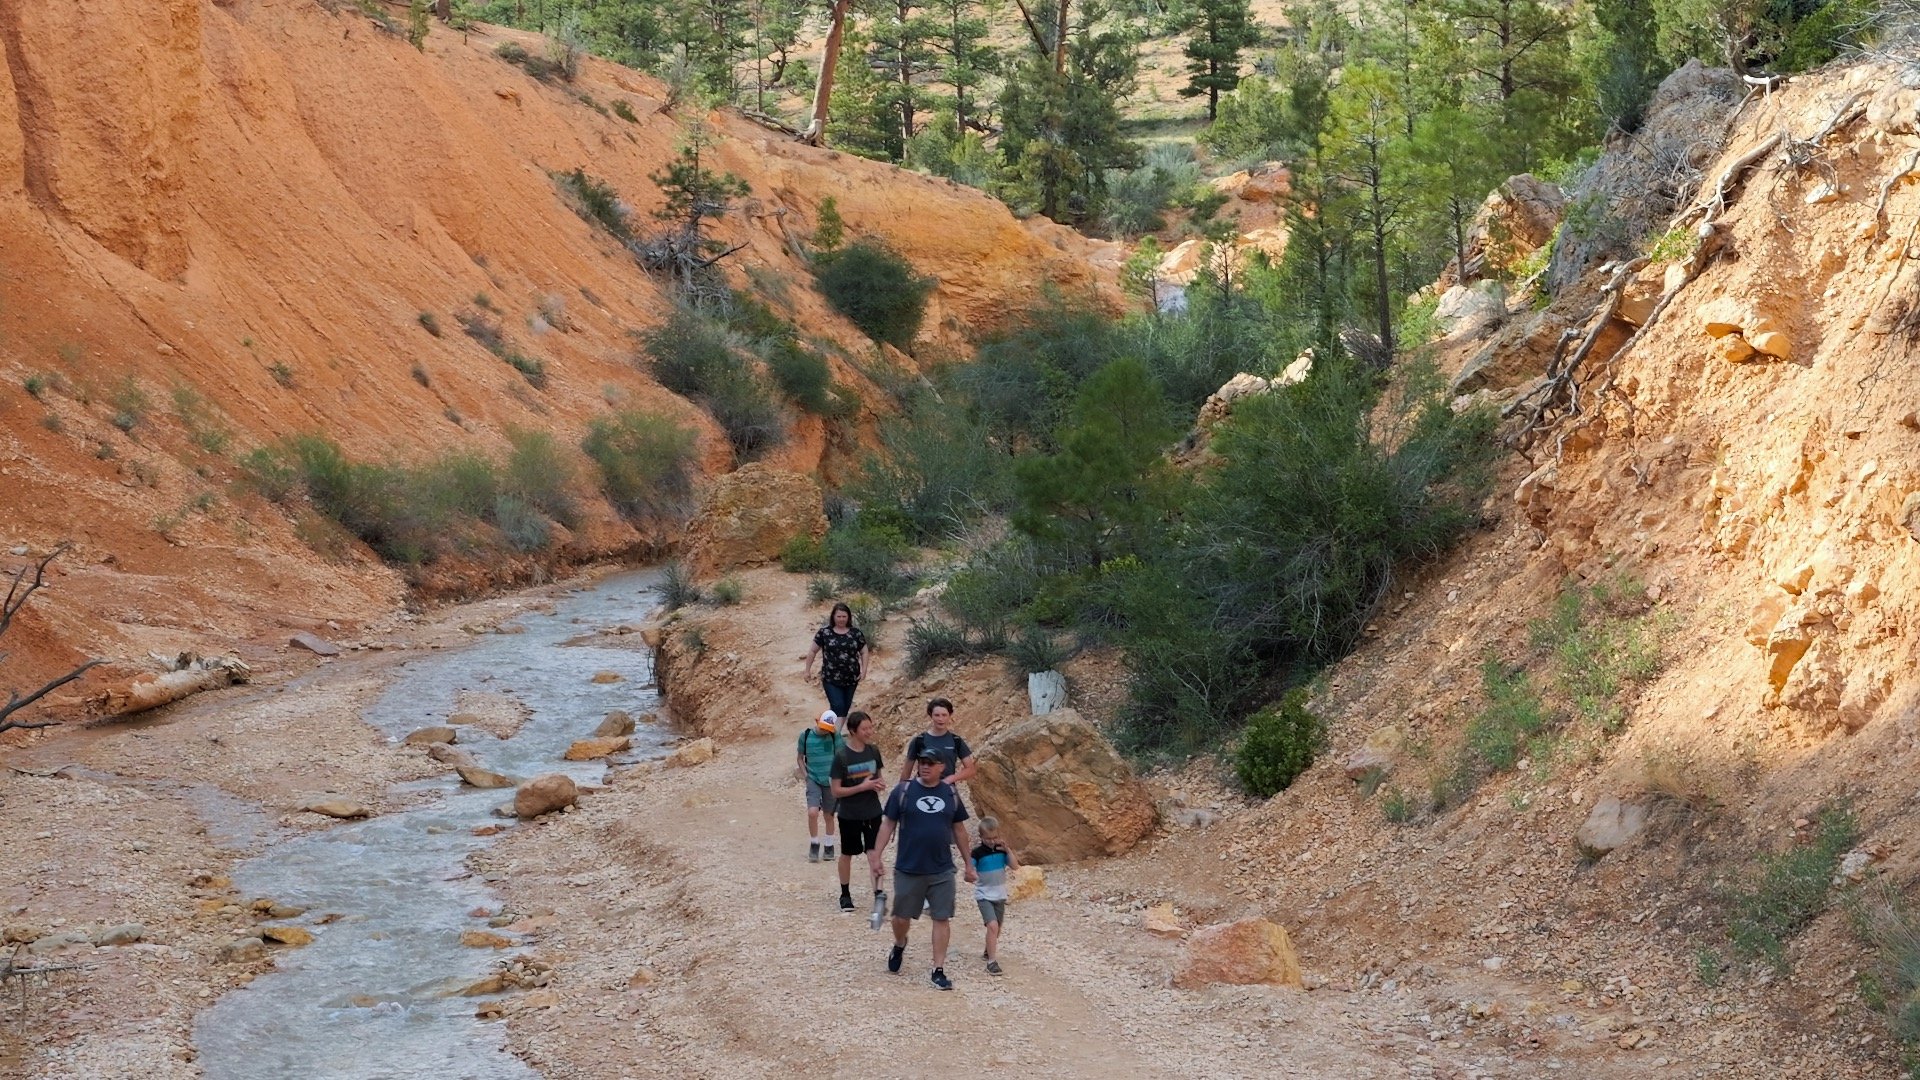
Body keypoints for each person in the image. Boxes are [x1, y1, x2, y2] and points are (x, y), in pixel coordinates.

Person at [869, 748, 975, 990]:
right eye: (921, 762)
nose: (924, 766)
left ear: (941, 767)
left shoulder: (950, 793)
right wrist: (876, 855)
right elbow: (888, 824)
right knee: (900, 918)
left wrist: (969, 863)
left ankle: (938, 969)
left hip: (942, 869)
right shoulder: (904, 791)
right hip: (909, 867)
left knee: (941, 917)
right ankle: (900, 942)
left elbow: (959, 829)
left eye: (930, 763)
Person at [829, 711, 887, 913]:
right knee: (847, 854)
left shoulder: (874, 751)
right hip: (849, 814)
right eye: (865, 729)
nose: (869, 732)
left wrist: (878, 785)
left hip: (872, 812)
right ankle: (845, 894)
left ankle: (879, 895)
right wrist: (861, 787)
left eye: (871, 727)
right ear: (853, 731)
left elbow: (878, 778)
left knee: (874, 853)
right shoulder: (841, 757)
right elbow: (836, 790)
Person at [970, 816, 1019, 975]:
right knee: (992, 926)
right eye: (988, 838)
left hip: (1000, 894)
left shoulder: (1001, 851)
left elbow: (1014, 866)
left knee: (997, 928)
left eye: (995, 837)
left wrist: (1008, 849)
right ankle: (992, 962)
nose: (992, 841)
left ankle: (987, 950)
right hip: (983, 895)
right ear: (981, 837)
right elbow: (969, 871)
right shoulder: (977, 853)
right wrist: (971, 875)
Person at [801, 602, 868, 717]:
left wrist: (864, 670)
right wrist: (807, 670)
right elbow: (812, 651)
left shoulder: (856, 633)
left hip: (851, 678)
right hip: (830, 677)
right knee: (838, 705)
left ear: (848, 617)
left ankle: (831, 730)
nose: (841, 619)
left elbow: (864, 651)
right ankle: (833, 732)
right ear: (833, 617)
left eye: (844, 616)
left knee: (845, 707)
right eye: (839, 616)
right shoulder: (824, 632)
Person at [795, 709, 842, 862]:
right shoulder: (806, 735)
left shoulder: (835, 736)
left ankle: (829, 846)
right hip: (813, 779)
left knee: (829, 815)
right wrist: (806, 776)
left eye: (827, 729)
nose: (824, 731)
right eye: (822, 727)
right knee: (812, 813)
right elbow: (800, 758)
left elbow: (842, 757)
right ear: (817, 722)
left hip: (829, 781)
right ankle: (814, 843)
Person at [896, 697, 976, 785]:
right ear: (931, 715)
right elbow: (906, 772)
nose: (940, 719)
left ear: (950, 715)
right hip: (923, 790)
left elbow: (970, 769)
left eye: (944, 715)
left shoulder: (956, 741)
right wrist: (900, 794)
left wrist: (950, 779)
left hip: (946, 790)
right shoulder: (919, 740)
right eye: (937, 715)